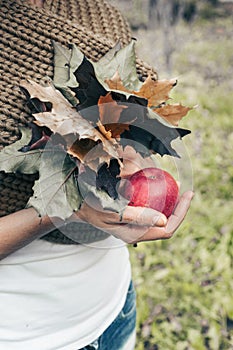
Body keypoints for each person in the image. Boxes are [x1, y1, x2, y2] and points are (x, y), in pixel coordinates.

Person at [0, 0, 194, 349]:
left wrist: (131, 163)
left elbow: (126, 132)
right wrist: (66, 208)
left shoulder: (96, 12)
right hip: (29, 336)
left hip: (115, 310)